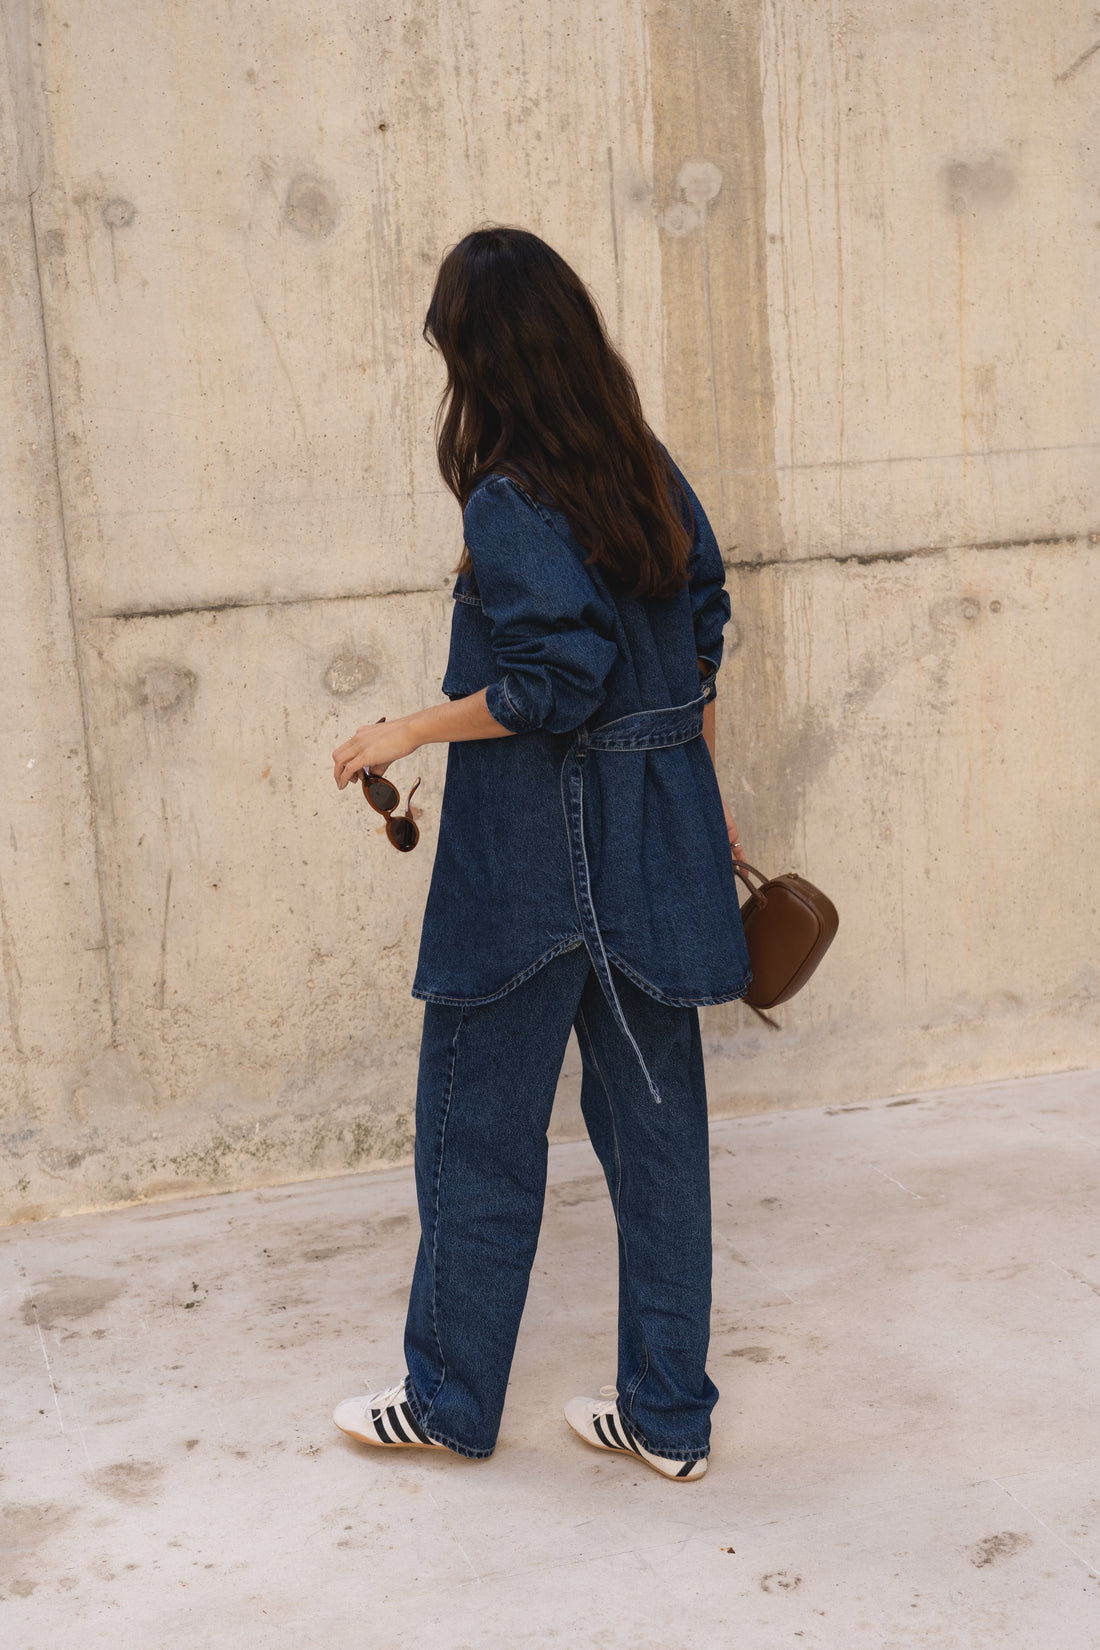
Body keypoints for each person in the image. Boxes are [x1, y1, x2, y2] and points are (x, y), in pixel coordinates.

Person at [330, 226, 751, 1481]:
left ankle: (450, 1402)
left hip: (526, 869)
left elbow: (551, 684)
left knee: (475, 1130)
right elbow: (704, 627)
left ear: (478, 355)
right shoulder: (642, 467)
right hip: (656, 843)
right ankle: (668, 1421)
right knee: (659, 1141)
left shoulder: (511, 495)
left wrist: (399, 727)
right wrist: (698, 798)